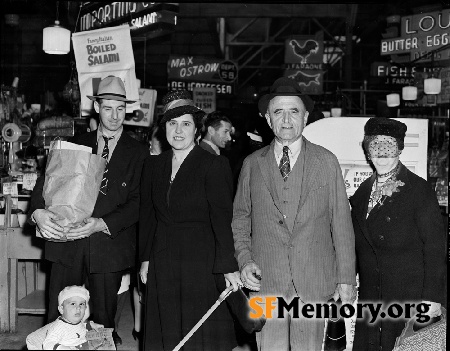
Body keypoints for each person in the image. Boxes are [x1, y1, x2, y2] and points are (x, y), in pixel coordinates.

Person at [232, 77, 357, 351]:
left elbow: (342, 224)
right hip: (267, 281)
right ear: (267, 118)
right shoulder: (252, 165)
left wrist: (346, 279)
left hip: (314, 282)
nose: (286, 119)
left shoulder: (326, 161)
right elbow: (240, 219)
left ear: (306, 117)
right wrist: (244, 260)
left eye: (294, 111)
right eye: (278, 112)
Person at [29, 75, 149, 346]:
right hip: (66, 245)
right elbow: (43, 184)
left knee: (103, 323)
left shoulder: (139, 153)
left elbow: (140, 202)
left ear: (126, 109)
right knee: (58, 318)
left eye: (120, 108)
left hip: (108, 248)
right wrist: (38, 212)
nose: (115, 115)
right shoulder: (75, 144)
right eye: (108, 108)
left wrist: (101, 223)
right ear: (97, 107)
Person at [139, 90, 242, 351]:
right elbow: (148, 216)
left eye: (185, 124)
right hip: (163, 259)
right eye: (172, 123)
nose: (178, 130)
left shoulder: (213, 166)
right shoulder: (154, 165)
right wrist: (145, 259)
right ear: (164, 128)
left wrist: (228, 266)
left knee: (198, 332)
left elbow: (222, 219)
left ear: (197, 129)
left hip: (201, 262)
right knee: (166, 328)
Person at [349, 117, 446, 351]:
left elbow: (435, 247)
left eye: (389, 145)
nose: (382, 151)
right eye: (375, 144)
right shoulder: (361, 193)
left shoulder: (419, 190)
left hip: (409, 295)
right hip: (372, 294)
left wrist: (432, 298)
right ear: (367, 150)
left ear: (399, 149)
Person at [42, 286, 91, 350]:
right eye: (73, 304)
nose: (78, 308)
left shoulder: (77, 321)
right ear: (62, 309)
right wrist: (63, 348)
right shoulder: (58, 327)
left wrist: (90, 325)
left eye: (81, 304)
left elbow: (80, 327)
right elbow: (47, 344)